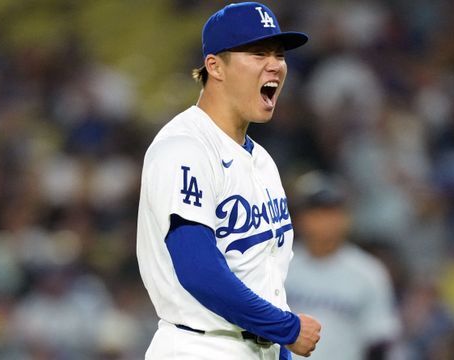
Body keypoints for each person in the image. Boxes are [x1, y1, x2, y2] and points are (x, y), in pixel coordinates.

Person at [136, 3, 321, 360]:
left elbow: (264, 279)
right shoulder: (184, 147)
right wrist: (287, 328)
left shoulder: (262, 161)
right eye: (257, 53)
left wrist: (278, 345)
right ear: (214, 66)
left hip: (254, 347)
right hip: (199, 346)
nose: (275, 65)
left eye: (279, 55)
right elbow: (198, 269)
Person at [285, 171, 400, 360]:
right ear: (300, 218)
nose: (325, 222)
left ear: (346, 218)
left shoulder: (368, 272)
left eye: (331, 212)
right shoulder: (280, 264)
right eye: (316, 212)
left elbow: (380, 340)